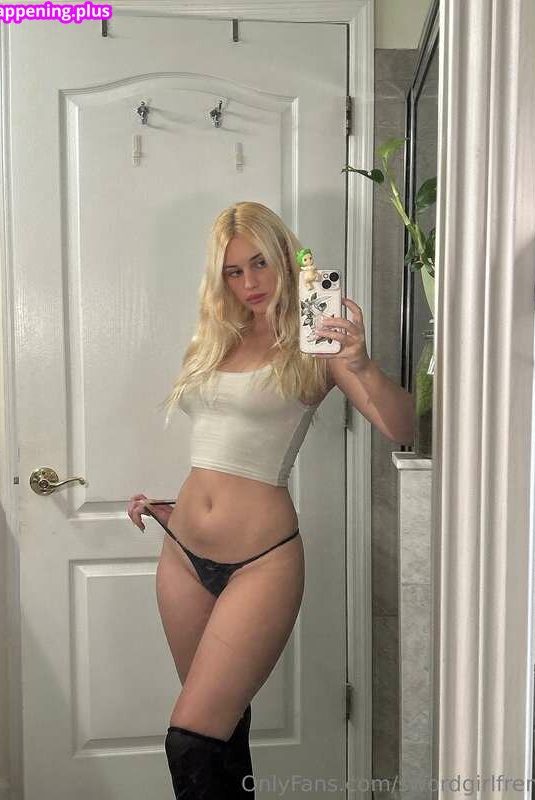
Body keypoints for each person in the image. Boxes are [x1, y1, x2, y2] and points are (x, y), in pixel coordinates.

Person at [127, 201, 415, 799]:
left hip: (260, 562)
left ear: (286, 257)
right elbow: (221, 447)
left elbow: (403, 427)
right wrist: (175, 507)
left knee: (191, 740)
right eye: (234, 271)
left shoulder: (317, 343)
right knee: (221, 732)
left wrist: (360, 363)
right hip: (182, 554)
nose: (250, 283)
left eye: (260, 263)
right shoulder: (216, 339)